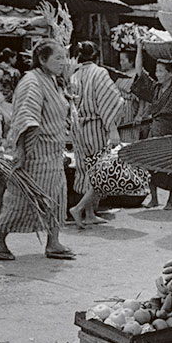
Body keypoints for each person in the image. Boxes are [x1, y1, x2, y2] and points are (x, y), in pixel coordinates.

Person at [0, 39, 74, 261]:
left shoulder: (52, 80)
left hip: (53, 152)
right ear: (42, 59)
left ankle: (53, 242)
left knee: (57, 196)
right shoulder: (32, 81)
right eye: (58, 58)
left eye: (64, 57)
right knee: (22, 198)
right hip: (35, 152)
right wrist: (22, 151)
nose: (63, 62)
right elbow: (26, 116)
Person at [68, 41, 124, 229]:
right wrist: (112, 127)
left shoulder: (73, 75)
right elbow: (109, 100)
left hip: (78, 127)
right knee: (103, 170)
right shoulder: (99, 72)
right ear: (96, 55)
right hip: (95, 125)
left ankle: (90, 213)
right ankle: (80, 208)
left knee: (86, 170)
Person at [134, 41, 172, 210]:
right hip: (155, 129)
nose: (157, 74)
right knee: (149, 165)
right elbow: (140, 73)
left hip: (171, 130)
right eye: (156, 70)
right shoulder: (155, 88)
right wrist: (139, 48)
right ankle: (154, 198)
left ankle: (170, 201)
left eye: (161, 71)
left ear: (170, 74)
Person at [114, 48, 147, 141]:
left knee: (129, 138)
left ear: (131, 61)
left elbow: (142, 97)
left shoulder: (136, 75)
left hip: (130, 110)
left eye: (123, 60)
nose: (121, 63)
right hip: (119, 112)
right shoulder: (121, 74)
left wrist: (140, 114)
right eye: (120, 60)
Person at [0, 48, 21, 126]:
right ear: (10, 58)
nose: (16, 60)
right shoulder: (15, 72)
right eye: (15, 58)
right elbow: (17, 88)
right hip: (9, 99)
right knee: (8, 122)